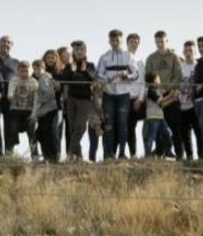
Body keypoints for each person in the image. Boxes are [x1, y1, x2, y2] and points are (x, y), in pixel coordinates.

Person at [97, 30, 137, 160]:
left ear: (121, 40)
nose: (115, 43)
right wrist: (106, 80)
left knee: (123, 125)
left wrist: (127, 75)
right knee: (108, 124)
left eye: (117, 40)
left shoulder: (129, 56)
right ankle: (109, 154)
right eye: (112, 41)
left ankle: (122, 153)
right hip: (108, 94)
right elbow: (99, 75)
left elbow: (136, 74)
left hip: (124, 95)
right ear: (109, 41)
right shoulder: (104, 57)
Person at [60, 41, 101, 162]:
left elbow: (93, 79)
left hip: (85, 101)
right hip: (71, 99)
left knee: (80, 127)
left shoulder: (90, 65)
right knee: (73, 129)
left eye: (81, 50)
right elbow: (64, 80)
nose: (79, 52)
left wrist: (83, 71)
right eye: (76, 50)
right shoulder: (69, 66)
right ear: (73, 52)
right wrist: (72, 71)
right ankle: (78, 157)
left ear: (85, 51)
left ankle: (70, 153)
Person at [145, 31, 183, 158]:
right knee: (158, 128)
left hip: (171, 93)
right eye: (157, 42)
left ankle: (178, 154)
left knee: (175, 127)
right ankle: (160, 153)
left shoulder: (174, 57)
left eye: (162, 41)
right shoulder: (151, 58)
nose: (160, 44)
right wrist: (157, 90)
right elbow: (148, 77)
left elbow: (178, 75)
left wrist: (169, 89)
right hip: (156, 95)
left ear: (167, 41)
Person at [6, 60, 39, 157]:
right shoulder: (14, 80)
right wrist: (11, 95)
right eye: (22, 71)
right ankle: (10, 154)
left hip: (29, 111)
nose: (24, 74)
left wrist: (33, 114)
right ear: (17, 71)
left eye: (26, 71)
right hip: (16, 110)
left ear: (30, 71)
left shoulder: (34, 82)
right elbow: (10, 93)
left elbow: (36, 100)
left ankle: (35, 154)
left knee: (32, 133)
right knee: (12, 129)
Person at [32, 58, 61, 162]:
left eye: (39, 69)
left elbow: (49, 94)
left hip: (48, 110)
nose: (36, 71)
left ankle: (51, 156)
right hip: (45, 112)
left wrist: (39, 100)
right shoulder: (43, 79)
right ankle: (49, 157)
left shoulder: (43, 79)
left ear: (43, 69)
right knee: (43, 134)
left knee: (47, 134)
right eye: (34, 69)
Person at [124, 33, 146, 158]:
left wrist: (141, 98)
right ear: (127, 43)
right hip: (124, 98)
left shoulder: (140, 62)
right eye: (132, 41)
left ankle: (134, 154)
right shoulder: (123, 58)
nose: (134, 43)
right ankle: (125, 153)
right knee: (126, 127)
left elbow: (143, 82)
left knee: (132, 126)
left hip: (137, 99)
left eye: (136, 41)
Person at [142, 72, 173, 158]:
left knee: (168, 134)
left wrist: (172, 98)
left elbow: (162, 103)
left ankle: (167, 152)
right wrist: (171, 95)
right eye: (158, 79)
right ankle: (147, 155)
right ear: (154, 80)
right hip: (153, 118)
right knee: (150, 138)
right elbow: (161, 102)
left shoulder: (157, 91)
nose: (160, 81)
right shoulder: (150, 91)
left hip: (160, 118)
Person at [177, 40, 199, 160]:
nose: (188, 52)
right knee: (184, 133)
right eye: (186, 50)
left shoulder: (198, 66)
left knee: (198, 130)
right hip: (181, 104)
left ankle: (201, 155)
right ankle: (189, 156)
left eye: (190, 50)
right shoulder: (180, 67)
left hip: (194, 104)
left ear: (195, 51)